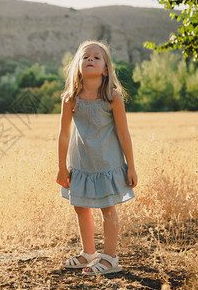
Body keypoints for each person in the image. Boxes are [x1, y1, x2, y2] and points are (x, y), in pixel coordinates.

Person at [56, 40, 138, 275]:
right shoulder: (70, 98)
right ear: (77, 66)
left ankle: (110, 258)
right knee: (80, 207)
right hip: (81, 162)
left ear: (105, 68)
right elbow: (63, 134)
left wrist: (131, 166)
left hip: (107, 163)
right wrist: (62, 167)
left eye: (96, 57)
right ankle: (89, 253)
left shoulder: (113, 98)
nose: (90, 59)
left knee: (107, 208)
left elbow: (124, 133)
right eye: (85, 56)